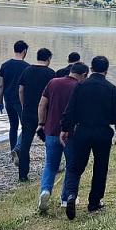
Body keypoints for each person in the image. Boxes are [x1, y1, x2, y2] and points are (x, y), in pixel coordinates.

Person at [60, 56, 116, 221]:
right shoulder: (112, 89)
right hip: (103, 133)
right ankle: (94, 202)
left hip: (82, 131)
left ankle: (71, 196)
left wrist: (65, 129)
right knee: (100, 167)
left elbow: (70, 109)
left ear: (91, 68)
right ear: (106, 70)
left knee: (75, 166)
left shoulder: (80, 86)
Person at [36, 62, 88, 213]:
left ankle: (45, 191)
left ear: (71, 71)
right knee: (72, 166)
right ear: (84, 75)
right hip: (71, 134)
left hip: (51, 131)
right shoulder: (80, 87)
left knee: (50, 164)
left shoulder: (53, 82)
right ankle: (66, 198)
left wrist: (41, 124)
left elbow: (42, 105)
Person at [17, 48, 55, 183]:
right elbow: (53, 94)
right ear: (49, 59)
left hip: (28, 111)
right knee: (49, 141)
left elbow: (21, 90)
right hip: (45, 113)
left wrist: (23, 105)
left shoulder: (27, 70)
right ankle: (50, 169)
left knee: (25, 143)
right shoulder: (51, 73)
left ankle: (22, 174)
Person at [0, 40, 29, 153]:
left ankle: (12, 150)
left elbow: (1, 86)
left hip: (8, 100)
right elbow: (26, 87)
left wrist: (0, 102)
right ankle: (19, 148)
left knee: (13, 126)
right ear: (24, 51)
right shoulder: (27, 67)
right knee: (25, 126)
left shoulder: (5, 65)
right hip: (21, 101)